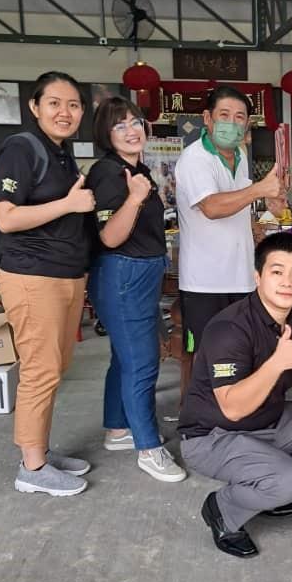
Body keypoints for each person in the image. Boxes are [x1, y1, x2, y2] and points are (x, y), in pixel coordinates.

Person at [178, 233, 292, 558]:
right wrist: (278, 362)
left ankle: (263, 484)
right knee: (288, 483)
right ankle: (223, 509)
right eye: (276, 271)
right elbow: (232, 408)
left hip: (267, 421)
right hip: (212, 436)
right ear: (258, 277)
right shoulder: (230, 328)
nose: (287, 282)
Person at [0, 71, 96, 496]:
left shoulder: (61, 153)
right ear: (35, 107)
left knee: (55, 368)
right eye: (54, 103)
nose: (65, 112)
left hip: (64, 275)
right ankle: (32, 470)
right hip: (32, 275)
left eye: (73, 105)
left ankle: (38, 451)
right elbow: (7, 217)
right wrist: (70, 203)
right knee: (40, 370)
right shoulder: (21, 148)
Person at [86, 96, 186, 484]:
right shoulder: (109, 173)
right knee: (143, 362)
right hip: (122, 274)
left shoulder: (137, 168)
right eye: (120, 125)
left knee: (124, 357)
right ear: (106, 134)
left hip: (139, 273)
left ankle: (117, 429)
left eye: (136, 121)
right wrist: (135, 197)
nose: (132, 130)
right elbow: (110, 236)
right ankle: (148, 448)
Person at [174, 86, 282, 352]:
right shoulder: (194, 159)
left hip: (241, 277)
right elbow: (211, 207)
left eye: (239, 117)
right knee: (204, 357)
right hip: (205, 281)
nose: (232, 123)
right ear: (208, 119)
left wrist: (258, 229)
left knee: (238, 354)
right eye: (224, 115)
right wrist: (259, 189)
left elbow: (239, 204)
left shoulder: (240, 156)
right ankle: (198, 398)